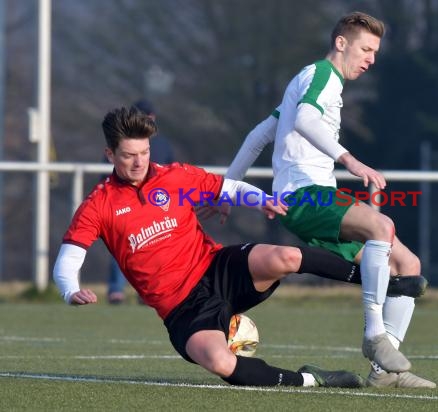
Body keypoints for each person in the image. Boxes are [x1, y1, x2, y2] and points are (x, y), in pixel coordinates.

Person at [52, 105, 367, 388]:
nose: (139, 162)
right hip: (181, 308)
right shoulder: (98, 205)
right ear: (110, 155)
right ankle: (313, 379)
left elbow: (228, 188)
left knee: (284, 256)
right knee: (221, 362)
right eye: (128, 155)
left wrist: (261, 201)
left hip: (216, 269)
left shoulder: (175, 176)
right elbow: (68, 259)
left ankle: (376, 280)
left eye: (144, 152)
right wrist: (70, 290)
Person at [220, 11, 435, 388]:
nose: (370, 59)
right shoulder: (323, 76)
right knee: (382, 225)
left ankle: (384, 374)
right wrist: (349, 159)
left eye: (375, 52)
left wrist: (226, 190)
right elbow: (304, 119)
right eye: (366, 49)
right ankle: (374, 336)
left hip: (316, 197)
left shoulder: (306, 79)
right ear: (341, 43)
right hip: (305, 196)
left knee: (406, 263)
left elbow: (259, 134)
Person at [106, 99, 175, 304]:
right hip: (124, 199)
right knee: (122, 245)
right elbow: (109, 172)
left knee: (153, 245)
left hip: (153, 202)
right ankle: (116, 289)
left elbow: (171, 174)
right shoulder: (120, 141)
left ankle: (147, 290)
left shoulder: (162, 144)